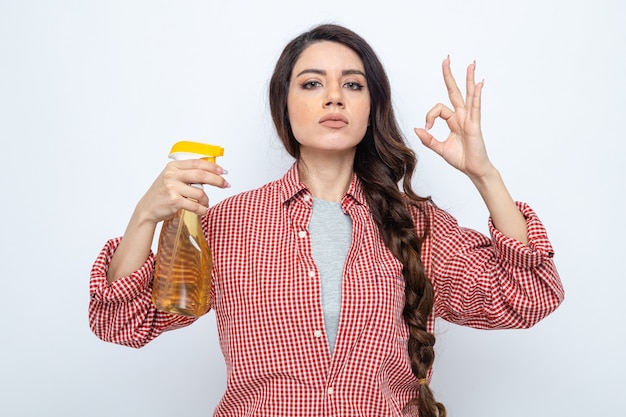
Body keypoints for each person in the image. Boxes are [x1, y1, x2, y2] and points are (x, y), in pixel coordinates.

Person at [89, 24, 564, 417]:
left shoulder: (418, 226)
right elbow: (121, 322)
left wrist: (484, 174)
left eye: (352, 84)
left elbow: (528, 296)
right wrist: (144, 218)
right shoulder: (228, 224)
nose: (334, 97)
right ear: (286, 104)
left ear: (370, 108)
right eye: (312, 83)